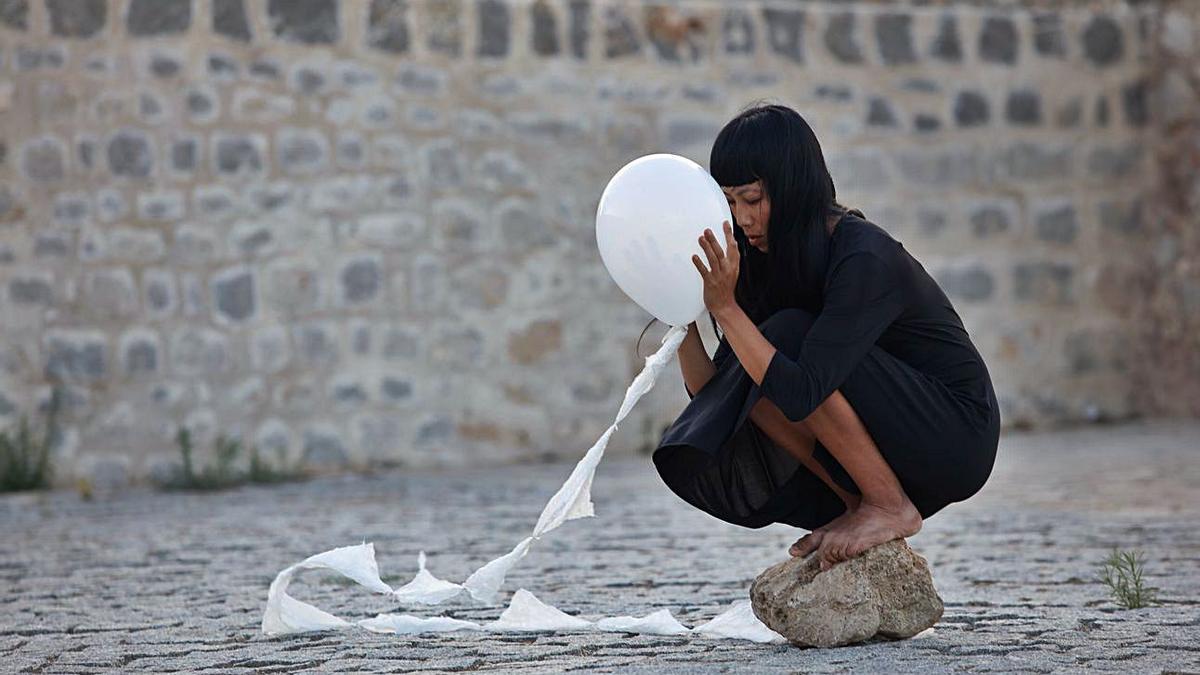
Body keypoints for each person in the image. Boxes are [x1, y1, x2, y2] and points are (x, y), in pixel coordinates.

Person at [647, 103, 1000, 571]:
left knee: (787, 338)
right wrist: (685, 310)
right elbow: (720, 393)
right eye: (729, 203)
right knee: (757, 370)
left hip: (954, 436)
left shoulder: (863, 255)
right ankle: (856, 505)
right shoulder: (757, 261)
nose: (742, 218)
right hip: (881, 439)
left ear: (792, 189)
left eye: (752, 199)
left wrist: (727, 308)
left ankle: (887, 505)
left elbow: (800, 392)